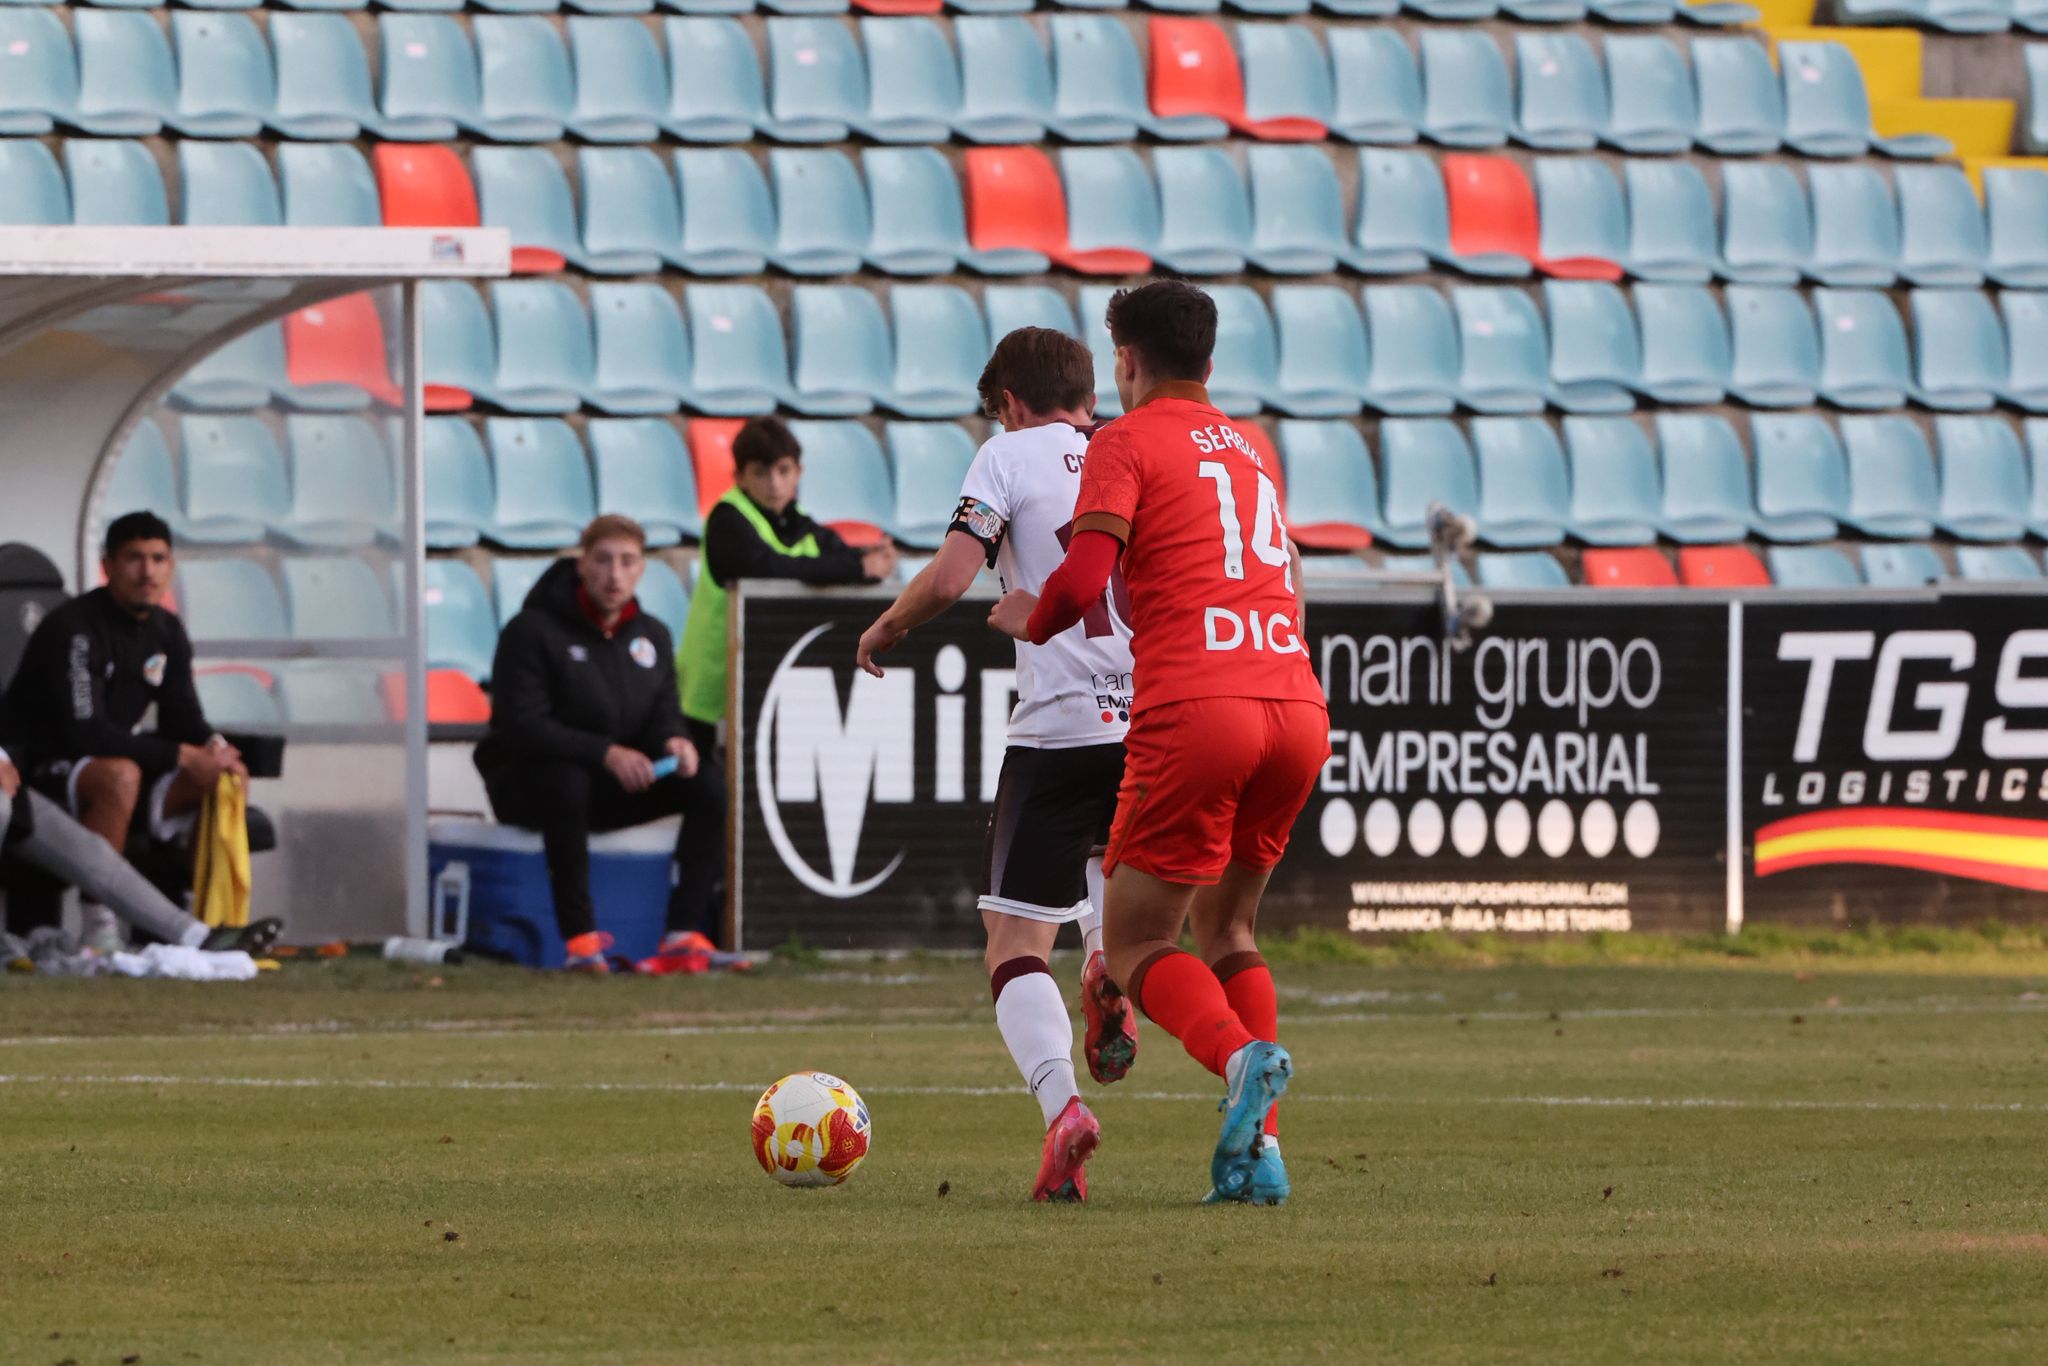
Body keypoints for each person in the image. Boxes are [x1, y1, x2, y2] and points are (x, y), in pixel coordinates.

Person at [988, 282, 1327, 1207]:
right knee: (1233, 930)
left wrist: (1028, 617)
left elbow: (1084, 577)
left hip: (1198, 709)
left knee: (1136, 943)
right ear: (1210, 363)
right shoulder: (1253, 447)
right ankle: (1261, 1155)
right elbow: (1286, 577)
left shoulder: (1123, 443)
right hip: (1294, 701)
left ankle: (1243, 1058)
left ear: (1126, 363)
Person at [856, 327, 1138, 1204]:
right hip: (1150, 719)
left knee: (1014, 943)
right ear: (1089, 395)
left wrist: (887, 628)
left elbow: (950, 577)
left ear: (1010, 402)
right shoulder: (1130, 451)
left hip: (1056, 727)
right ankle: (1103, 961)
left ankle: (1064, 1110)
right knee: (1111, 870)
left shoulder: (1006, 455)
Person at [0, 511, 281, 955]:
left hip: (76, 772)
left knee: (212, 776)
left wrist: (217, 753)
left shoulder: (166, 631)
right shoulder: (74, 629)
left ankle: (209, 927)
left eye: (157, 559)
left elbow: (184, 719)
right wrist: (179, 756)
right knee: (121, 775)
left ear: (171, 567)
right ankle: (99, 930)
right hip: (42, 768)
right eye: (134, 558)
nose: (147, 572)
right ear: (108, 565)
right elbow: (84, 734)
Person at [475, 515, 724, 972]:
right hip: (529, 785)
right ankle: (582, 943)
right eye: (603, 561)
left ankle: (684, 934)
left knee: (708, 785)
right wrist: (604, 753)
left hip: (609, 786)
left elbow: (661, 713)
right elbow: (521, 726)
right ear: (582, 565)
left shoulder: (653, 635)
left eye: (627, 562)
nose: (615, 575)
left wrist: (674, 741)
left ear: (642, 569)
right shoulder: (530, 631)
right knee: (566, 780)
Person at [677, 417, 897, 753]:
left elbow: (837, 558)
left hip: (766, 683)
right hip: (711, 692)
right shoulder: (726, 519)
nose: (774, 483)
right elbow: (764, 566)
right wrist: (857, 566)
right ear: (739, 477)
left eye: (783, 470)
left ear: (799, 472)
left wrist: (869, 560)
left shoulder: (800, 523)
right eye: (761, 472)